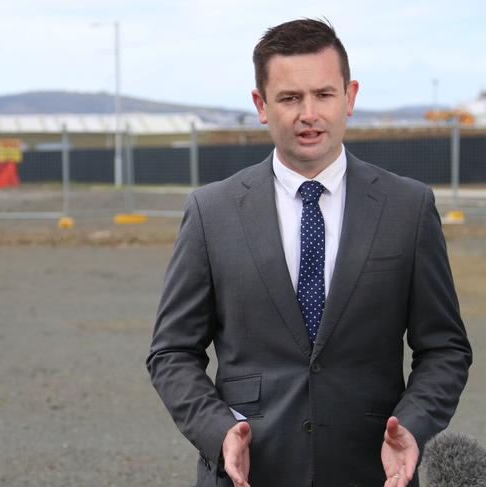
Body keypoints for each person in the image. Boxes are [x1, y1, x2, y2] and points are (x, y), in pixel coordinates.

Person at [146, 18, 472, 487]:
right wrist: (218, 432)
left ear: (350, 97)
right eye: (289, 98)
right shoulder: (211, 211)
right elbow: (172, 351)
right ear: (261, 105)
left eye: (323, 94)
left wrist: (414, 427)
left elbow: (445, 348)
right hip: (250, 472)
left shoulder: (409, 208)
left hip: (373, 470)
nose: (309, 114)